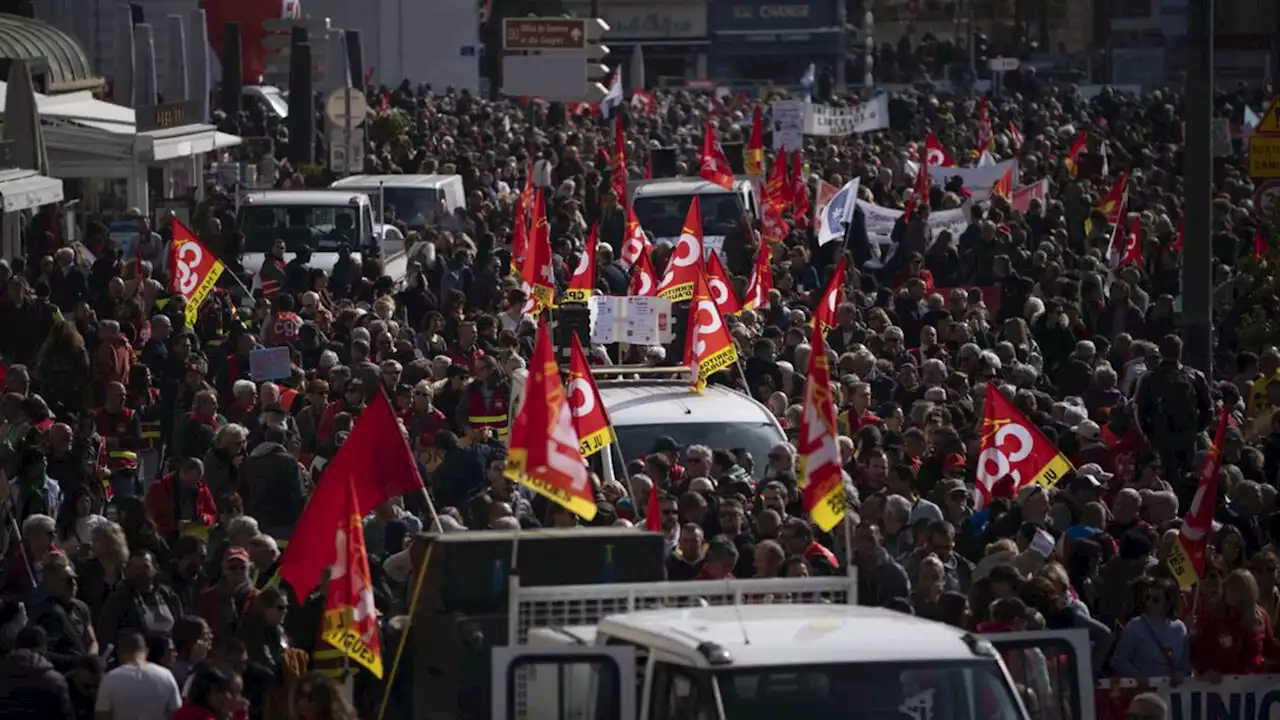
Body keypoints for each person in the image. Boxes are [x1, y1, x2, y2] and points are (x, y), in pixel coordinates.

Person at [95, 631, 182, 720]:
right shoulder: (166, 675)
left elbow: (102, 715)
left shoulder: (110, 679)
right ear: (147, 651)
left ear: (119, 653)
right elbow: (176, 713)